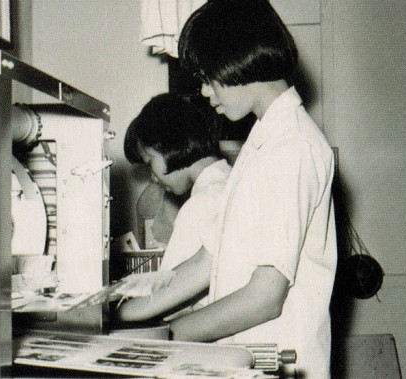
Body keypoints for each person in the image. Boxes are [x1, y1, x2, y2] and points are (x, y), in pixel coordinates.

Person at [119, 1, 337, 377]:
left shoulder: (293, 147)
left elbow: (264, 299)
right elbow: (208, 260)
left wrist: (167, 338)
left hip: (278, 360)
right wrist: (121, 310)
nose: (204, 91)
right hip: (243, 360)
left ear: (236, 62)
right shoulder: (262, 142)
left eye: (208, 77)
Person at [123, 93, 230, 275]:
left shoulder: (199, 205)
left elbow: (167, 288)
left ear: (170, 144)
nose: (154, 177)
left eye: (149, 163)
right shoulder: (230, 179)